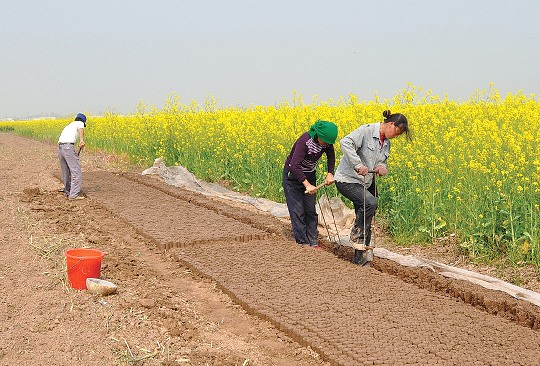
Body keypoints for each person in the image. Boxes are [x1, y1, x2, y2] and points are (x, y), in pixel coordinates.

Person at [334, 110, 410, 265]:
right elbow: (345, 142)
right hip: (347, 180)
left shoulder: (386, 143)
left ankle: (359, 258)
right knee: (370, 203)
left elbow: (381, 160)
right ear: (390, 124)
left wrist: (381, 166)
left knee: (367, 216)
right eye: (396, 132)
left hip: (365, 182)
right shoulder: (366, 131)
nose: (395, 136)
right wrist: (358, 165)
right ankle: (356, 234)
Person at [283, 120, 338, 248]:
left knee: (310, 210)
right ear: (318, 135)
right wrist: (307, 184)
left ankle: (313, 242)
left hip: (309, 175)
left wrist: (330, 173)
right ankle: (303, 243)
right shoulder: (305, 141)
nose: (326, 145)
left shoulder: (327, 143)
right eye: (324, 141)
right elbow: (294, 165)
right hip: (293, 177)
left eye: (329, 143)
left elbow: (331, 157)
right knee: (298, 211)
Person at [58, 113, 87, 200]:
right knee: (76, 172)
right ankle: (74, 195)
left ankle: (68, 191)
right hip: (68, 147)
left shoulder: (69, 125)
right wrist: (81, 140)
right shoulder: (79, 123)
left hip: (60, 147)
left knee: (66, 171)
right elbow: (81, 128)